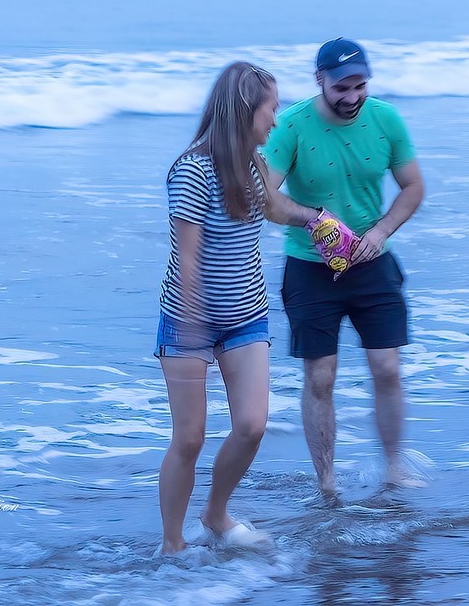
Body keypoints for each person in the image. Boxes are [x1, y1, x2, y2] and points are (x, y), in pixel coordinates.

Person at [155, 62, 317, 554]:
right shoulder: (192, 171)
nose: (277, 117)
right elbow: (186, 259)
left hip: (246, 315)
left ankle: (216, 514)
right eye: (272, 106)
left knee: (251, 426)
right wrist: (192, 320)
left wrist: (315, 219)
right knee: (189, 439)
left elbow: (272, 205)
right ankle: (172, 545)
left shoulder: (253, 164)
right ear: (246, 110)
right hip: (190, 321)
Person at [262, 37, 425, 497]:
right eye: (342, 87)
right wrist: (312, 218)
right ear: (320, 81)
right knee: (321, 375)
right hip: (310, 266)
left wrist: (379, 232)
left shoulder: (386, 119)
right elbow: (266, 198)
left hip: (371, 261)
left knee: (387, 368)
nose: (352, 96)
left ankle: (394, 466)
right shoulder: (291, 125)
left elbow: (413, 187)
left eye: (360, 86)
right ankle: (327, 483)